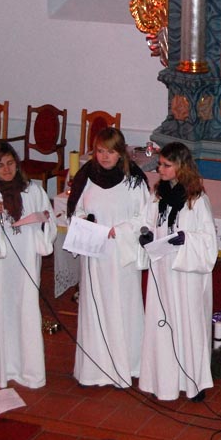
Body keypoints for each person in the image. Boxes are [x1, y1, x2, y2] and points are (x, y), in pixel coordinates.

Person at [0, 142, 56, 389]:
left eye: (10, 163)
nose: (6, 170)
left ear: (17, 164)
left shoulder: (33, 191)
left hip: (25, 261)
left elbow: (48, 223)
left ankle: (28, 370)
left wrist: (42, 221)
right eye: (0, 165)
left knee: (25, 310)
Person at [68, 127, 150, 388]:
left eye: (110, 152)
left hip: (120, 254)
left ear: (121, 153)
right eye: (100, 151)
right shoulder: (86, 176)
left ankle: (126, 365)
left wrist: (121, 230)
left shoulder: (134, 181)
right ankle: (94, 369)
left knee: (121, 307)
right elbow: (76, 210)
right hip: (95, 253)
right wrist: (84, 220)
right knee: (95, 307)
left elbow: (145, 218)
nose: (104, 157)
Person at [139, 142, 218, 402]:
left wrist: (186, 238)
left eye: (166, 165)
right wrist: (146, 235)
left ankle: (194, 382)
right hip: (163, 267)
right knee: (163, 322)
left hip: (186, 272)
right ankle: (163, 379)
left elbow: (208, 240)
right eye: (160, 164)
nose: (159, 169)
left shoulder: (197, 200)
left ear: (181, 167)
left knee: (188, 323)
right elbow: (148, 222)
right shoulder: (158, 195)